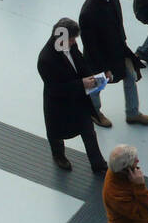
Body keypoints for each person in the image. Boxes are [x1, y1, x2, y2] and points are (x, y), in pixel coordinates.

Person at [79, 0, 148, 127]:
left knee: (130, 75)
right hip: (99, 56)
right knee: (97, 85)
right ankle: (94, 112)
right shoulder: (88, 13)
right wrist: (104, 68)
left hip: (117, 48)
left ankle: (133, 113)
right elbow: (91, 46)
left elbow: (117, 18)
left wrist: (123, 42)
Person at [37, 18, 107, 173]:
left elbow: (81, 64)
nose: (75, 42)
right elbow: (55, 89)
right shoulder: (45, 59)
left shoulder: (71, 46)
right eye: (72, 39)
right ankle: (59, 156)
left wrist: (94, 78)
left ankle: (99, 165)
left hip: (77, 98)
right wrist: (82, 84)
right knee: (56, 134)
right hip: (58, 104)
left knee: (88, 131)